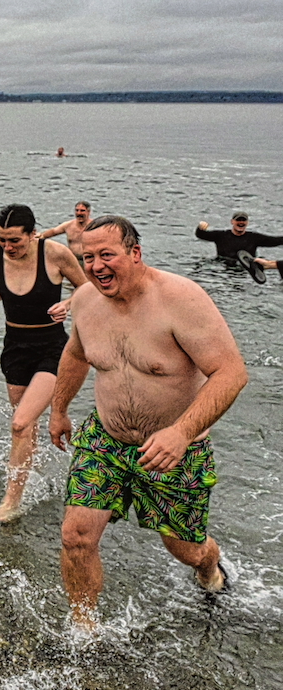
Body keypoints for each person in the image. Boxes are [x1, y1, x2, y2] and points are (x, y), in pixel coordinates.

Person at [50, 216, 247, 630]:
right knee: (76, 536)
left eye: (108, 255)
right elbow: (76, 354)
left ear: (135, 254)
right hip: (106, 441)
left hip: (175, 452)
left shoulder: (181, 300)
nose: (97, 266)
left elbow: (231, 372)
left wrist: (181, 432)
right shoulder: (85, 301)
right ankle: (84, 632)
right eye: (88, 258)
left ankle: (211, 566)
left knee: (186, 549)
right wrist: (59, 409)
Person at [0, 205, 87, 522]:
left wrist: (69, 303)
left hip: (53, 347)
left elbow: (88, 288)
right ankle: (34, 474)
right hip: (14, 347)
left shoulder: (55, 254)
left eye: (15, 241)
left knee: (19, 422)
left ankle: (11, 502)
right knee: (25, 424)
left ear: (33, 235)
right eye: (2, 240)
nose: (8, 248)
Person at [196, 212, 283, 281]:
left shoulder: (254, 238)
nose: (241, 222)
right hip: (223, 267)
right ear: (232, 222)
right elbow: (201, 235)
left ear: (247, 223)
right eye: (238, 220)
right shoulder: (221, 236)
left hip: (247, 268)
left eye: (243, 220)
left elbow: (274, 240)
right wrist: (200, 227)